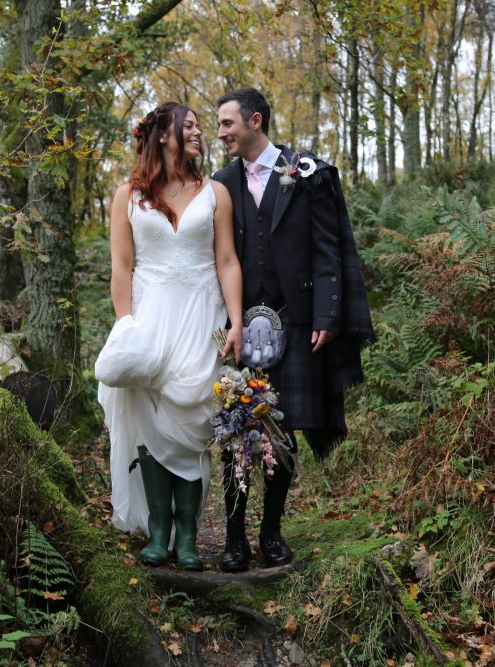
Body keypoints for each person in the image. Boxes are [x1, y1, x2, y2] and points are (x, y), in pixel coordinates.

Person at [212, 88, 374, 572]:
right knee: (237, 430)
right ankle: (235, 539)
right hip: (239, 324)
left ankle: (272, 533)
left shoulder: (307, 174)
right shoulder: (221, 183)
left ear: (255, 121)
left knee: (281, 430)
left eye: (226, 124)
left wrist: (327, 315)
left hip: (297, 321)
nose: (220, 133)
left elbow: (329, 248)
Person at [98, 102, 243, 571]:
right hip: (150, 317)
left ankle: (188, 537)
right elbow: (122, 266)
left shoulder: (215, 192)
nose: (200, 133)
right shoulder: (129, 194)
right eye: (191, 126)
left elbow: (227, 261)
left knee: (194, 425)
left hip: (203, 318)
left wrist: (237, 321)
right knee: (152, 427)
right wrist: (126, 326)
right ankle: (158, 534)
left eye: (201, 126)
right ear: (163, 135)